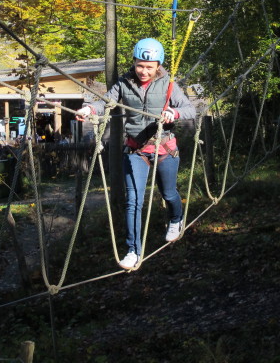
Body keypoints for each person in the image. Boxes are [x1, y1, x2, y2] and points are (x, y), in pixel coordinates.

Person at [76, 38, 196, 270]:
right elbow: (106, 103)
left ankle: (175, 219)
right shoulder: (124, 83)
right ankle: (133, 250)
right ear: (134, 63)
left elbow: (189, 109)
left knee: (169, 193)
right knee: (133, 202)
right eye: (140, 65)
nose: (144, 71)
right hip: (135, 150)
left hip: (165, 148)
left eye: (149, 67)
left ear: (158, 65)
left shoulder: (169, 84)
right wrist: (89, 108)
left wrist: (174, 112)